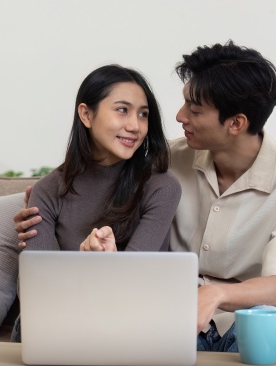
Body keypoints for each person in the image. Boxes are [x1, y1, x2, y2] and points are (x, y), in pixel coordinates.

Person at [14, 41, 276, 355]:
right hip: (173, 315)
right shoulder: (169, 159)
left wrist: (213, 295)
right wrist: (39, 202)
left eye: (194, 110)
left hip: (254, 317)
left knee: (266, 328)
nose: (179, 116)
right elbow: (96, 170)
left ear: (235, 123)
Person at [10, 64, 181, 340]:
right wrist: (86, 268)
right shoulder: (48, 189)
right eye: (122, 110)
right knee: (31, 322)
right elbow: (36, 289)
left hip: (131, 319)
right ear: (86, 114)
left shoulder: (161, 186)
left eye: (143, 114)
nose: (135, 126)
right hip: (59, 320)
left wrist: (105, 267)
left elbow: (134, 285)